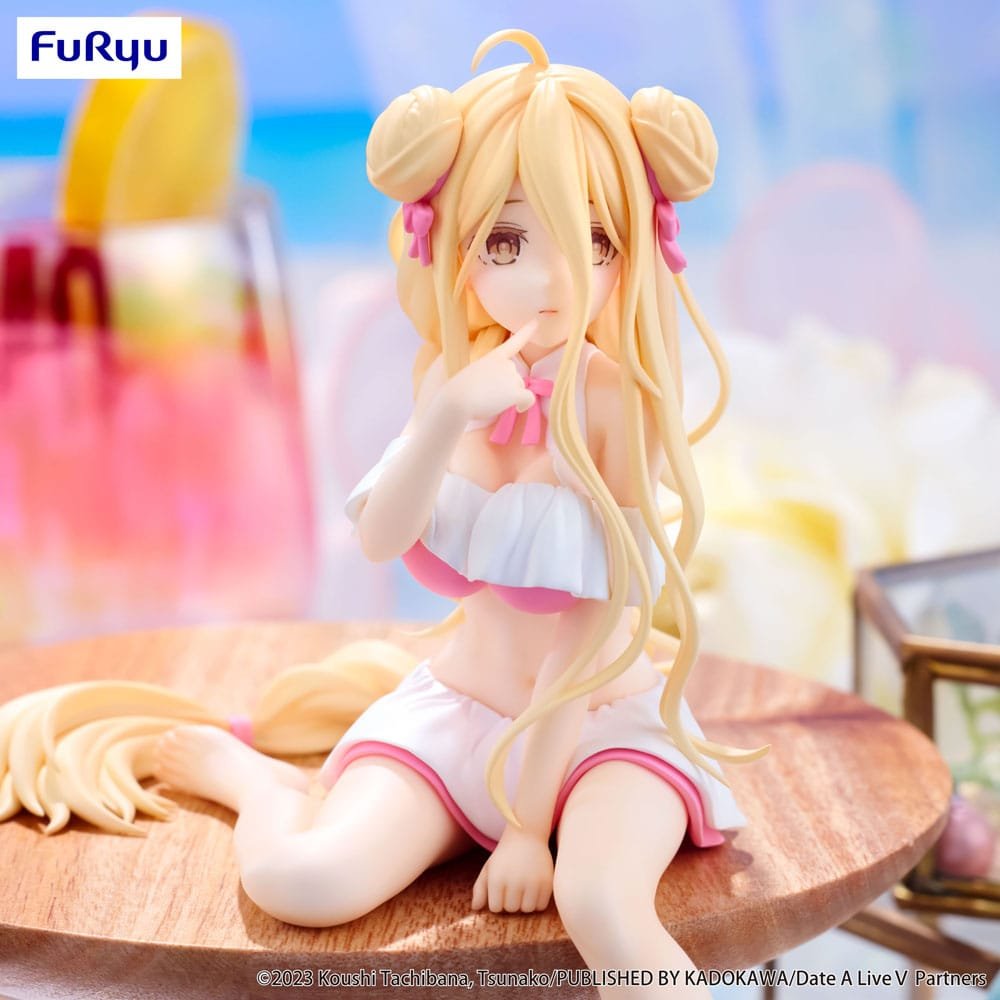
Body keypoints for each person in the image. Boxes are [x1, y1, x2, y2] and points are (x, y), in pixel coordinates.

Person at [0, 28, 767, 998]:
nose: (549, 278)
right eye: (506, 242)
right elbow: (380, 536)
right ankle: (259, 783)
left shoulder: (616, 402)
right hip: (457, 713)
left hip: (596, 726)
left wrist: (526, 829)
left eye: (594, 242)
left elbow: (585, 635)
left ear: (634, 250)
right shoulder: (457, 379)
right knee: (301, 880)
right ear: (453, 246)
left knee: (601, 904)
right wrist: (448, 414)